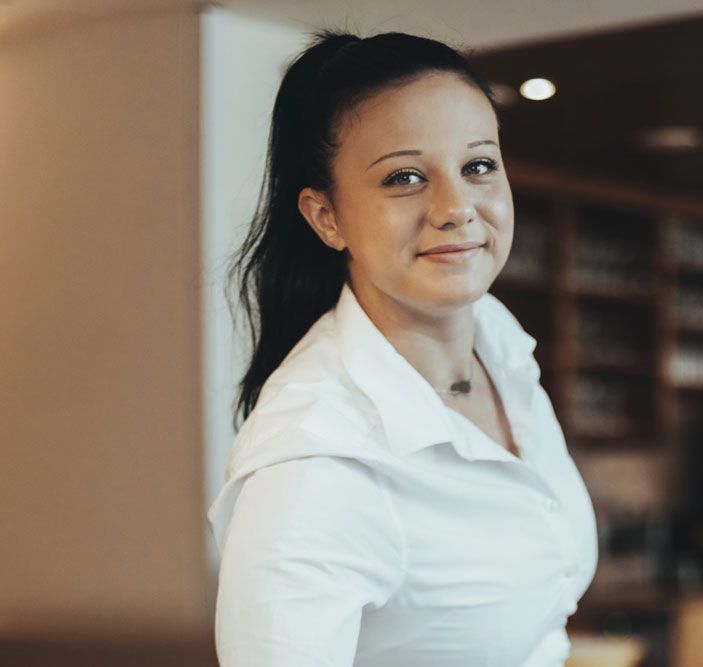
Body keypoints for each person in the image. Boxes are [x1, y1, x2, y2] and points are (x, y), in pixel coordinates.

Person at [206, 30, 599, 667]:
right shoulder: (319, 459)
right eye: (405, 177)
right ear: (325, 216)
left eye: (478, 166)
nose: (456, 208)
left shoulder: (500, 343)